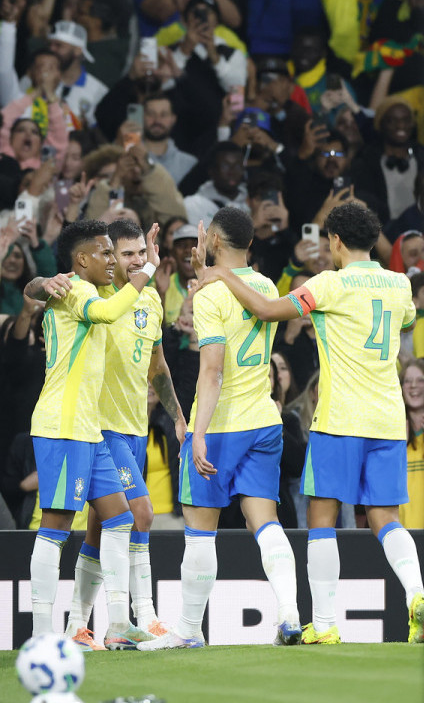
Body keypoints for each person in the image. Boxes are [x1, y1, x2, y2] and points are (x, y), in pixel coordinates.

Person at [200, 203, 424, 646]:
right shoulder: (400, 284)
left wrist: (223, 275)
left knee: (322, 517)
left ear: (336, 242)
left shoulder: (329, 284)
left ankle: (324, 624)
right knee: (386, 516)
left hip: (341, 419)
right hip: (388, 420)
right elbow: (405, 321)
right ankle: (417, 595)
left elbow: (268, 310)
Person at [141, 207, 303, 651]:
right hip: (265, 421)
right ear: (249, 244)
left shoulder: (210, 296)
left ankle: (189, 631)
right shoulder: (266, 286)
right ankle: (289, 614)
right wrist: (204, 274)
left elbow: (210, 372)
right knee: (265, 522)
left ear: (211, 237)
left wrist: (198, 433)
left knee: (200, 529)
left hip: (223, 425)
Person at [20, 219, 162, 649]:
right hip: (62, 424)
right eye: (104, 253)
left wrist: (39, 283)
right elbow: (105, 312)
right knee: (57, 525)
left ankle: (117, 622)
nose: (113, 261)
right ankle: (43, 633)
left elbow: (34, 291)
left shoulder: (81, 287)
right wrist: (149, 268)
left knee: (120, 517)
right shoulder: (80, 291)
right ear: (81, 260)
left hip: (89, 429)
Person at [55, 220, 187, 651]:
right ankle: (144, 618)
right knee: (142, 513)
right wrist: (40, 283)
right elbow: (42, 290)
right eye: (122, 253)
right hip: (101, 427)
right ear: (109, 257)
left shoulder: (151, 300)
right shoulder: (96, 294)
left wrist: (180, 419)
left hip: (135, 427)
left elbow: (158, 367)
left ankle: (77, 625)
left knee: (100, 529)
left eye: (137, 254)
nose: (129, 261)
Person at [399, 358, 424, 530]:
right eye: (407, 381)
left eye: (421, 380)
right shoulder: (391, 431)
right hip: (401, 534)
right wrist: (397, 446)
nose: (413, 386)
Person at [183, 142, 248, 228]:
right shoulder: (194, 205)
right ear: (212, 171)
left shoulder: (253, 201)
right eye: (225, 166)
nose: (232, 172)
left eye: (237, 166)